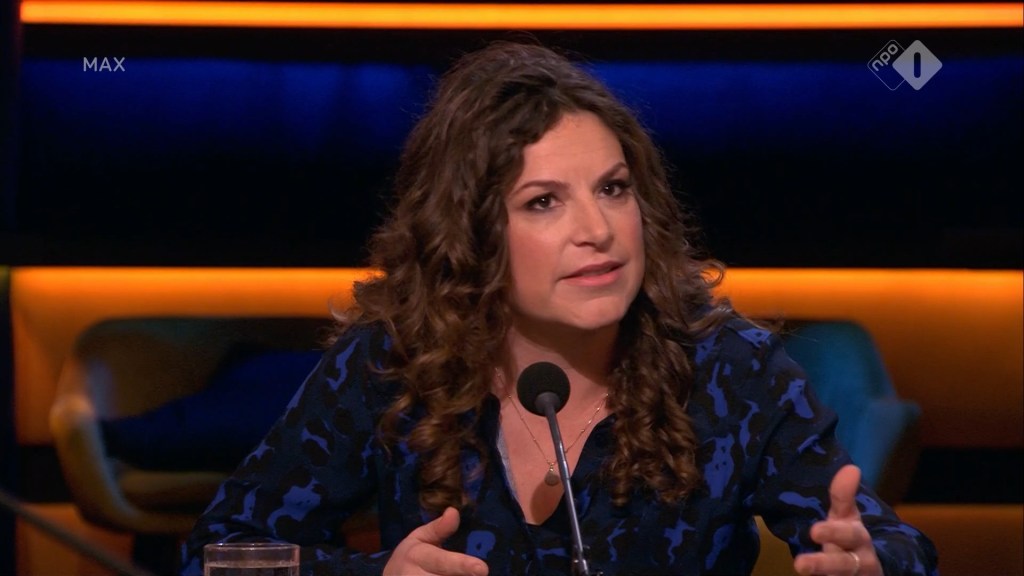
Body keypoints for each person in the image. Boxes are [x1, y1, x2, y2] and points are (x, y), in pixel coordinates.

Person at [180, 40, 938, 576]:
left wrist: (871, 563)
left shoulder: (731, 370)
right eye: (544, 201)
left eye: (613, 189)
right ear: (473, 234)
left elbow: (894, 546)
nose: (598, 230)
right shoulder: (392, 364)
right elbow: (218, 554)